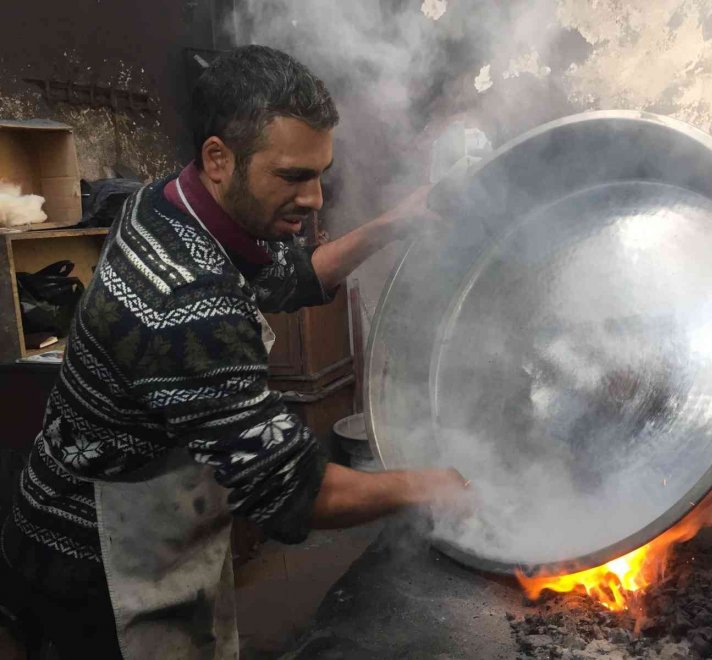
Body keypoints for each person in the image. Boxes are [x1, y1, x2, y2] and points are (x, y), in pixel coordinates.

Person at [0, 45, 468, 659]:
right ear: (219, 158)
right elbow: (292, 491)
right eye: (294, 177)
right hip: (95, 558)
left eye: (321, 173)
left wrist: (394, 224)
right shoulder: (184, 300)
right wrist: (443, 485)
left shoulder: (173, 201)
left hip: (148, 511)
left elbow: (292, 277)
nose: (316, 199)